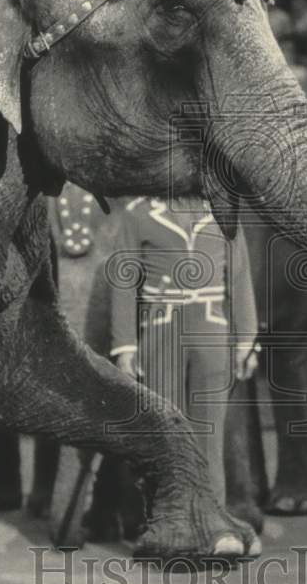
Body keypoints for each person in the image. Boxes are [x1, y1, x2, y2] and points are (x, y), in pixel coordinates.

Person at [109, 196, 258, 508]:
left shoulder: (223, 212)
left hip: (211, 328)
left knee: (210, 435)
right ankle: (167, 520)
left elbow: (240, 276)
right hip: (161, 327)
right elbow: (123, 283)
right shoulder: (139, 213)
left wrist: (247, 340)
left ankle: (212, 519)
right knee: (165, 433)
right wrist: (125, 346)